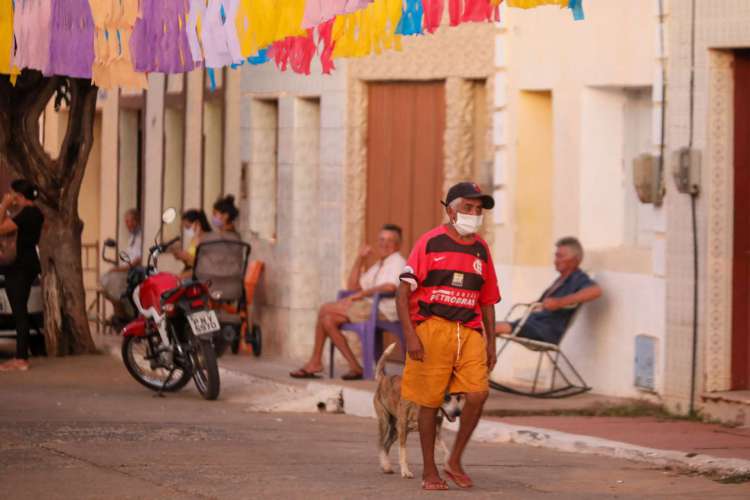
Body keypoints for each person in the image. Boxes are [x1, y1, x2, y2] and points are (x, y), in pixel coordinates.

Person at [397, 182, 500, 491]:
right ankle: (430, 471)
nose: (474, 214)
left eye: (478, 210)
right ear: (450, 209)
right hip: (432, 329)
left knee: (478, 393)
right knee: (428, 403)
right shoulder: (429, 243)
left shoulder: (481, 248)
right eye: (468, 208)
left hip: (468, 332)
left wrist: (491, 343)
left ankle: (454, 460)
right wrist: (411, 338)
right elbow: (402, 295)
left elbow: (488, 299)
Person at [290, 224, 407, 381]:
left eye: (389, 240)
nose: (384, 244)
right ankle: (355, 367)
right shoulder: (379, 264)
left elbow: (390, 286)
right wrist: (360, 258)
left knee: (325, 309)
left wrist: (359, 295)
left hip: (383, 309)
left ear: (398, 244)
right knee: (328, 320)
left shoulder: (397, 261)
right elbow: (353, 286)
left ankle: (315, 362)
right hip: (369, 306)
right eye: (381, 240)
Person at [495, 237, 602, 344]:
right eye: (556, 256)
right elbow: (543, 304)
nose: (556, 260)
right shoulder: (560, 279)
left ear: (575, 259)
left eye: (560, 256)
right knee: (486, 327)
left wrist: (559, 302)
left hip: (545, 330)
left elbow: (595, 291)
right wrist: (536, 305)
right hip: (531, 324)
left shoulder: (577, 278)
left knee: (489, 327)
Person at [0, 179, 44, 372]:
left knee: (19, 312)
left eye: (12, 194)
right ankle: (20, 356)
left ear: (19, 195)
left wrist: (3, 205)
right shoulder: (36, 213)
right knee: (21, 311)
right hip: (29, 264)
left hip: (19, 266)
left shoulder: (26, 214)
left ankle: (21, 359)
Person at [100, 209, 142, 326]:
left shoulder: (141, 236)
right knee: (105, 282)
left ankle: (122, 316)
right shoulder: (131, 237)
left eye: (129, 221)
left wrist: (120, 269)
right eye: (126, 222)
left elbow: (138, 260)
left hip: (133, 272)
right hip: (125, 269)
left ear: (136, 220)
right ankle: (120, 314)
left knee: (111, 280)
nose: (127, 224)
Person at [172, 209, 212, 274]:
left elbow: (207, 265)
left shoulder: (209, 239)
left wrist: (188, 257)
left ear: (197, 223)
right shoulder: (194, 239)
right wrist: (183, 258)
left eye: (187, 226)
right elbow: (191, 262)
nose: (186, 230)